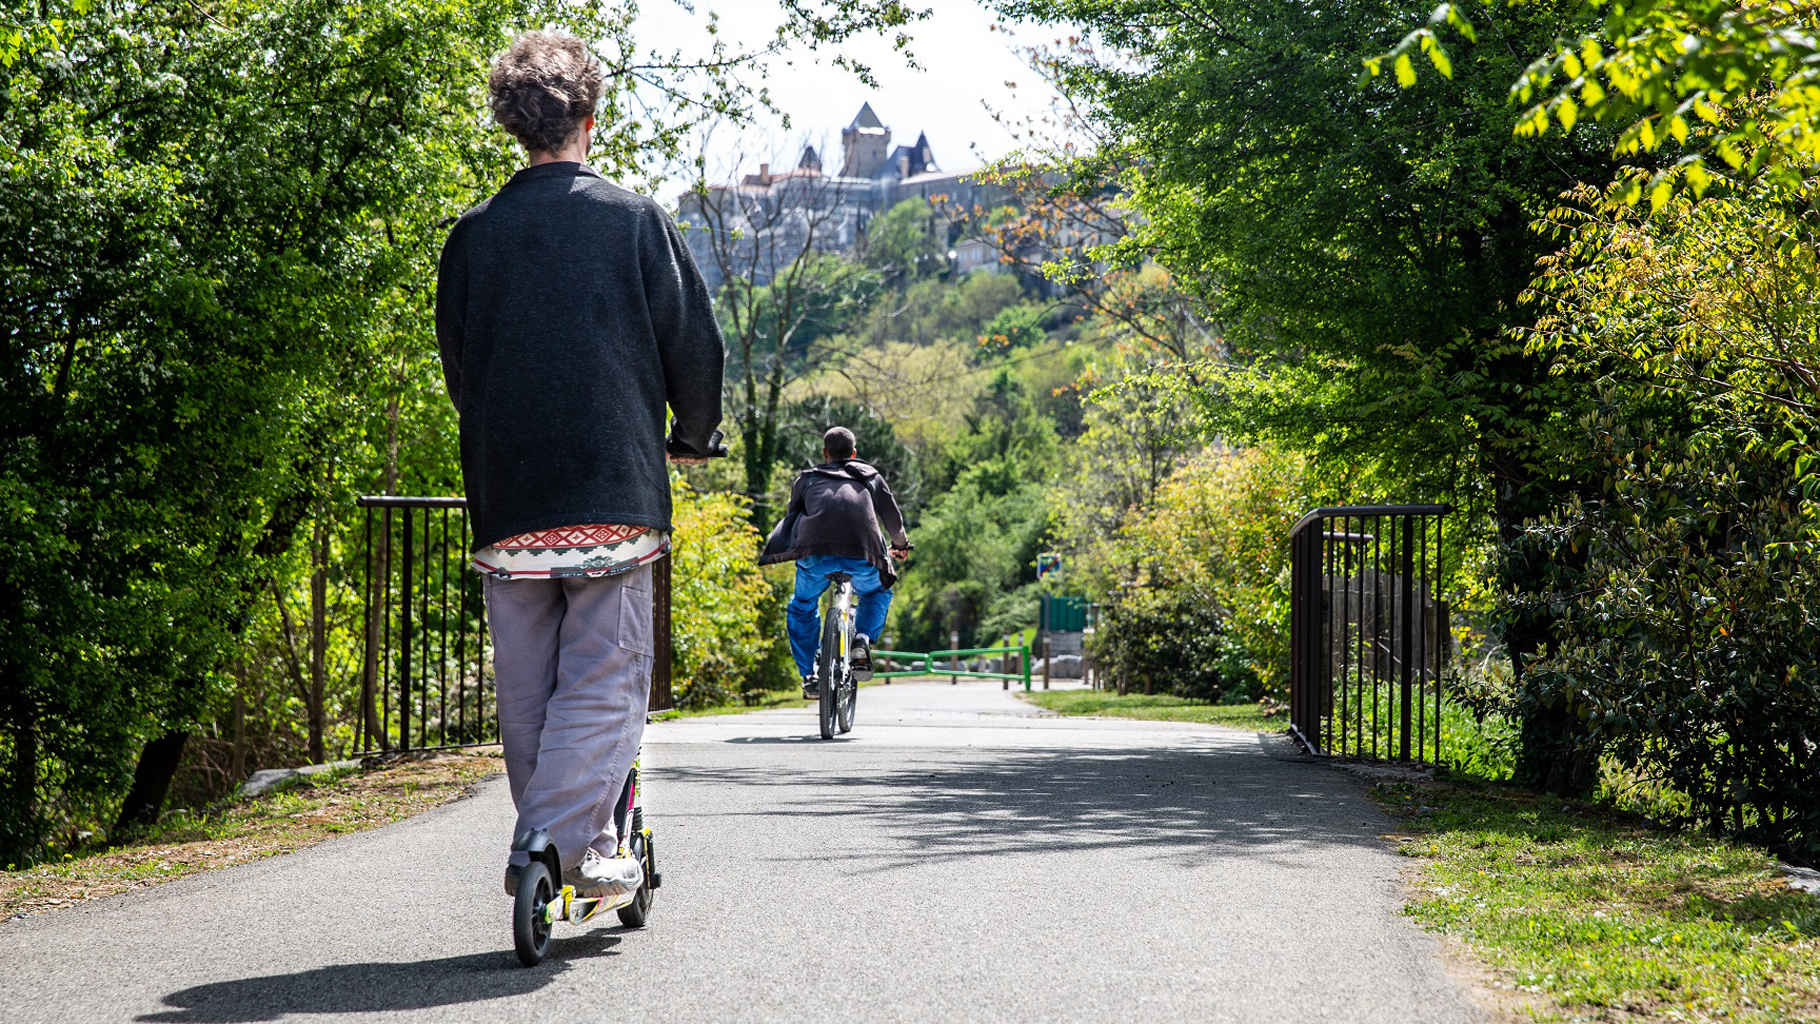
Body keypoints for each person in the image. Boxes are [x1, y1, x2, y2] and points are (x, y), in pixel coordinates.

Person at [434, 31, 723, 902]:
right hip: (609, 488)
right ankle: (565, 845)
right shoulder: (635, 221)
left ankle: (577, 838)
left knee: (526, 684)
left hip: (509, 493)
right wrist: (693, 434)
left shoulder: (472, 237)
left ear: (515, 128)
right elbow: (694, 348)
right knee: (604, 673)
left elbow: (460, 364)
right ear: (591, 119)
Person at [760, 426, 911, 696]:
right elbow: (893, 522)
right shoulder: (871, 477)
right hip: (862, 554)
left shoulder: (806, 479)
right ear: (854, 454)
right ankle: (862, 640)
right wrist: (900, 546)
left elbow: (793, 514)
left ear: (824, 454)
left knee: (802, 606)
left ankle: (809, 674)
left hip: (814, 556)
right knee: (877, 591)